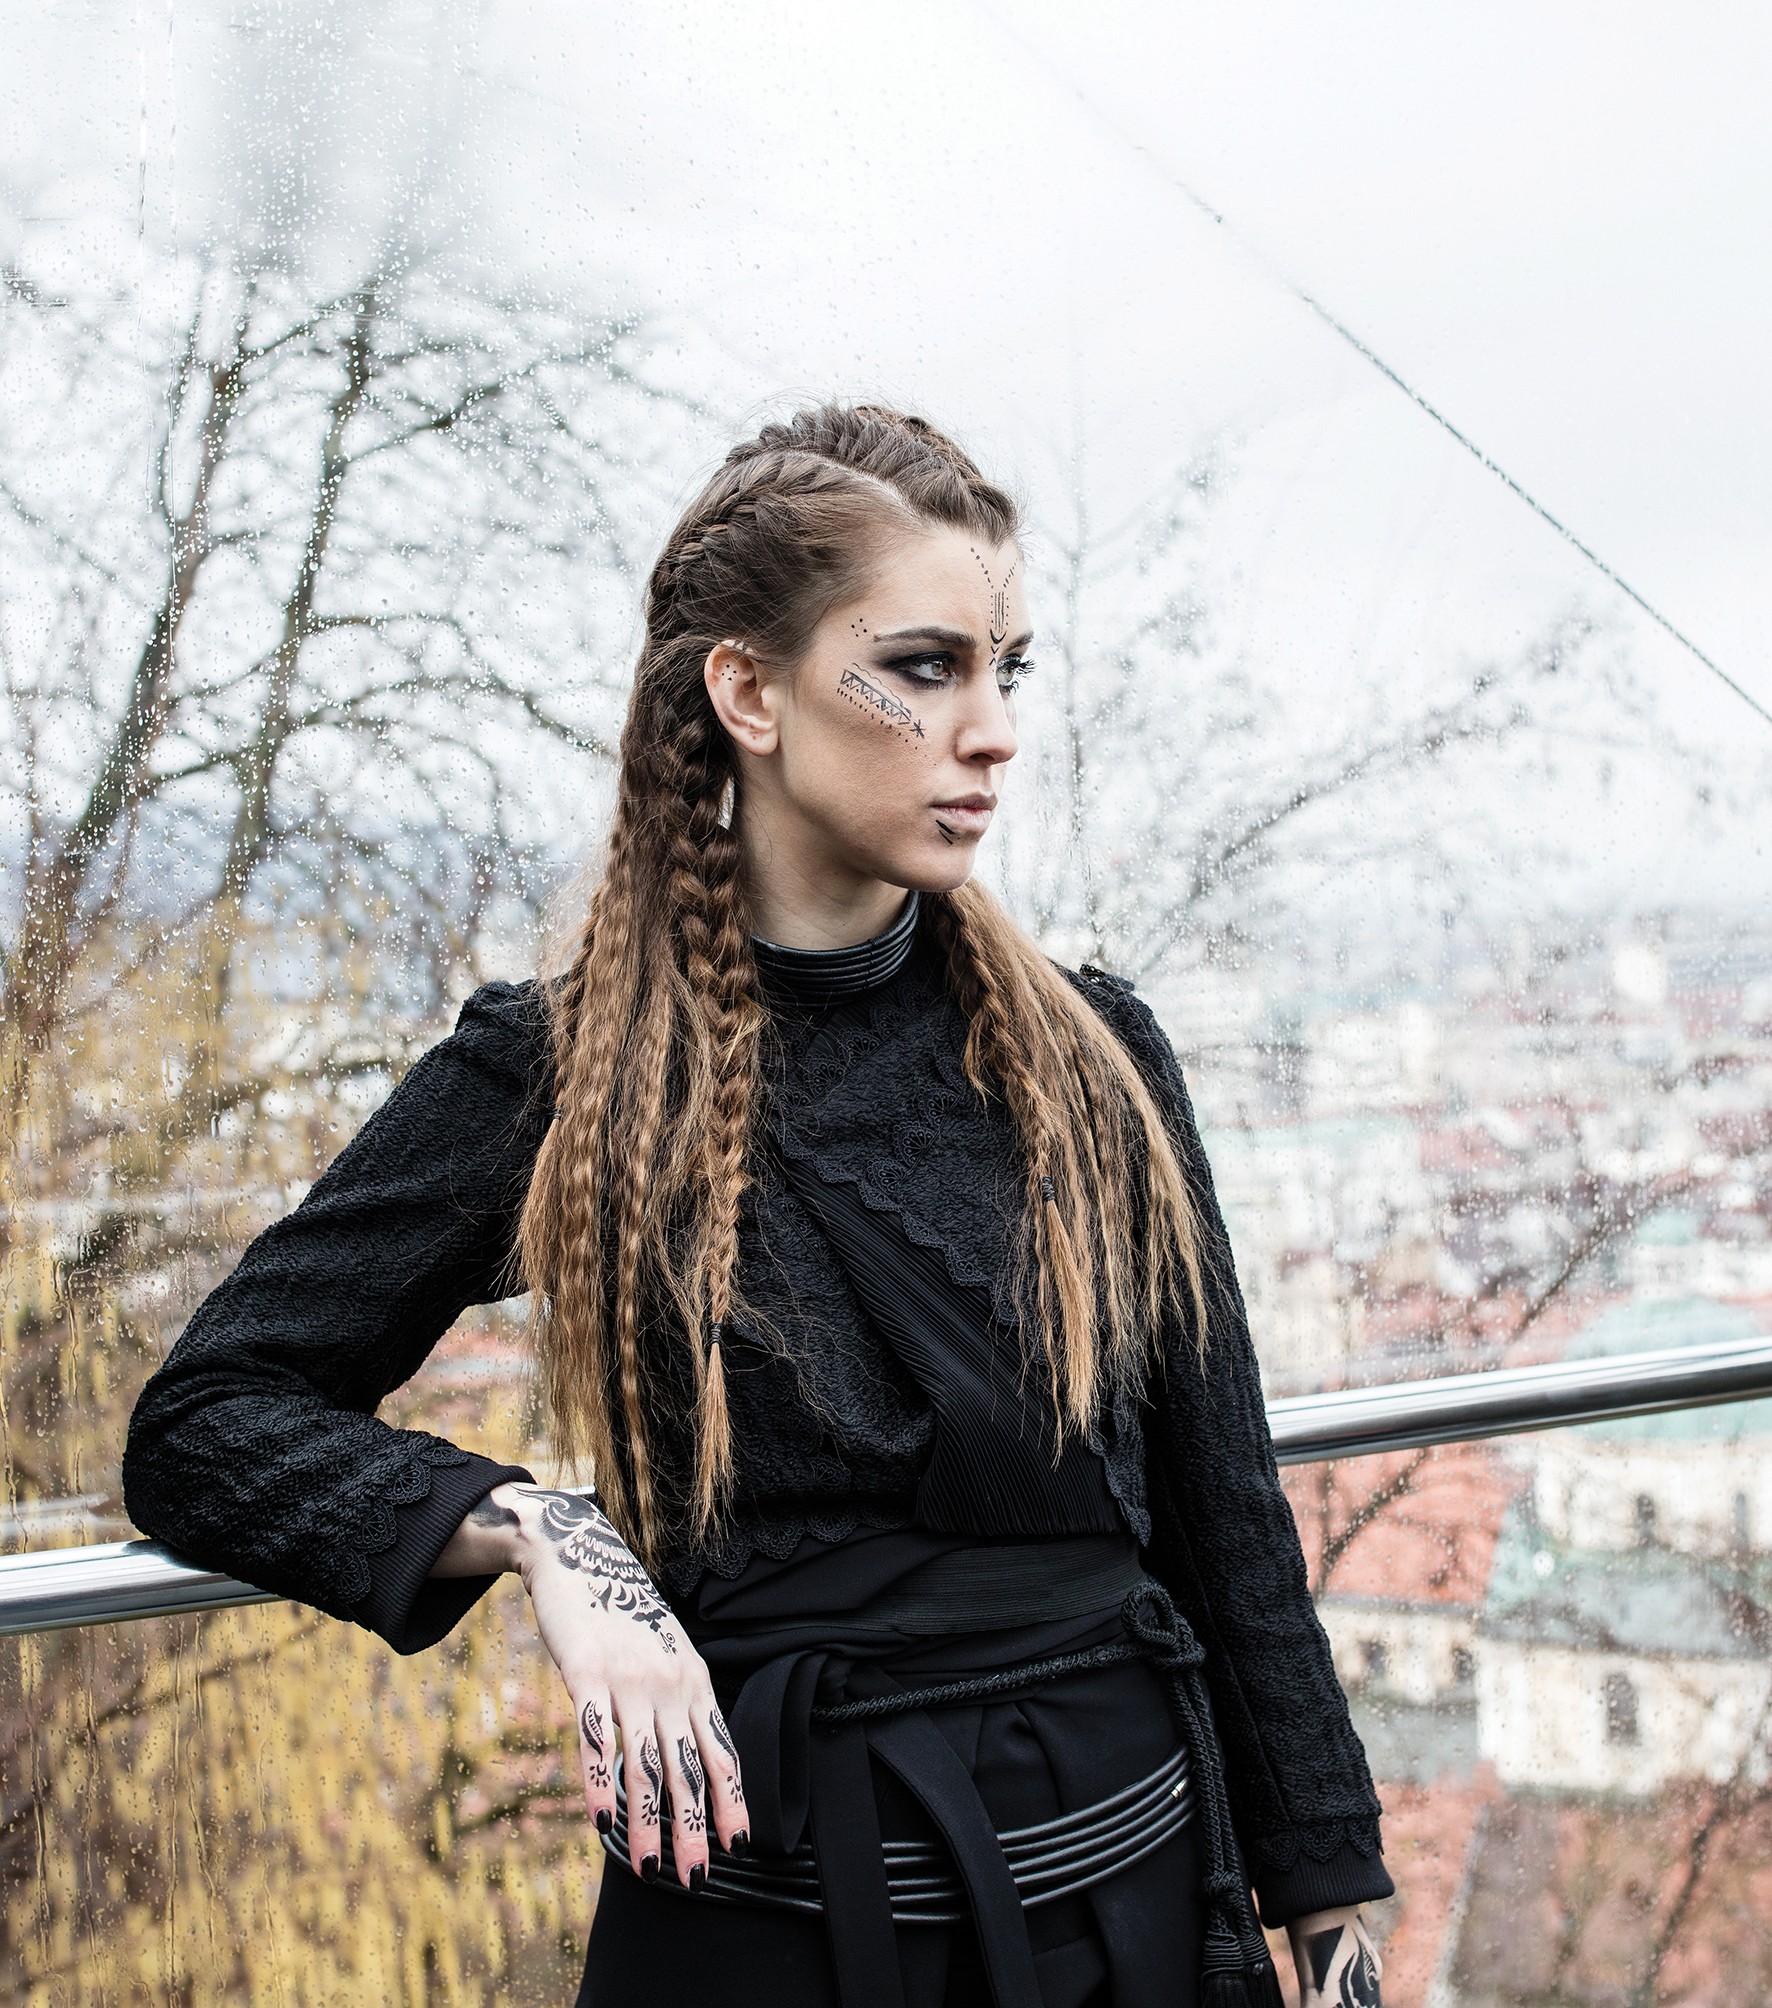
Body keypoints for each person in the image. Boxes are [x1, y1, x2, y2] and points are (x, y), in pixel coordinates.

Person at [124, 404, 1392, 2008]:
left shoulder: (1096, 1054)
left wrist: (1331, 1908)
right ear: (748, 693)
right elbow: (206, 1420)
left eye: (1009, 670)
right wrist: (548, 1538)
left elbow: (1227, 1513)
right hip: (775, 1938)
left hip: (1140, 1913)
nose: (993, 731)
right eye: (926, 667)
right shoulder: (566, 1075)